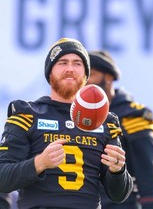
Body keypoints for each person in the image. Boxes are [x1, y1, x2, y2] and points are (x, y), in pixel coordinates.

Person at [0, 38, 133, 209]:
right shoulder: (28, 115)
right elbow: (2, 178)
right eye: (62, 62)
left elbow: (119, 195)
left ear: (86, 75)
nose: (70, 69)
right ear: (49, 73)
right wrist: (39, 163)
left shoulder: (106, 121)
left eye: (77, 63)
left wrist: (118, 171)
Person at [87, 50, 153, 209]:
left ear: (109, 77)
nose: (85, 82)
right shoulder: (75, 118)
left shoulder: (132, 118)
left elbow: (148, 181)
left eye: (91, 75)